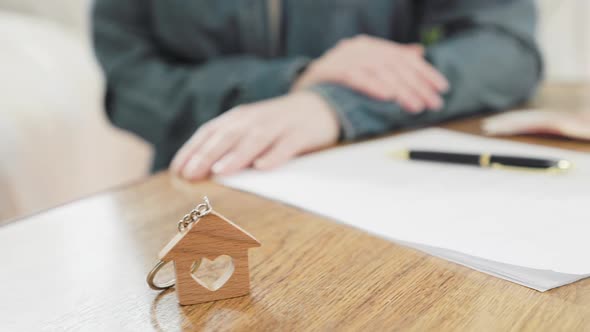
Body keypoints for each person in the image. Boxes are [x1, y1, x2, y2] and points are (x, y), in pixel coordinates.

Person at [93, 0, 542, 181]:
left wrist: (331, 106)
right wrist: (292, 80)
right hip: (201, 184)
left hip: (384, 184)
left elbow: (506, 50)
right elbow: (129, 88)